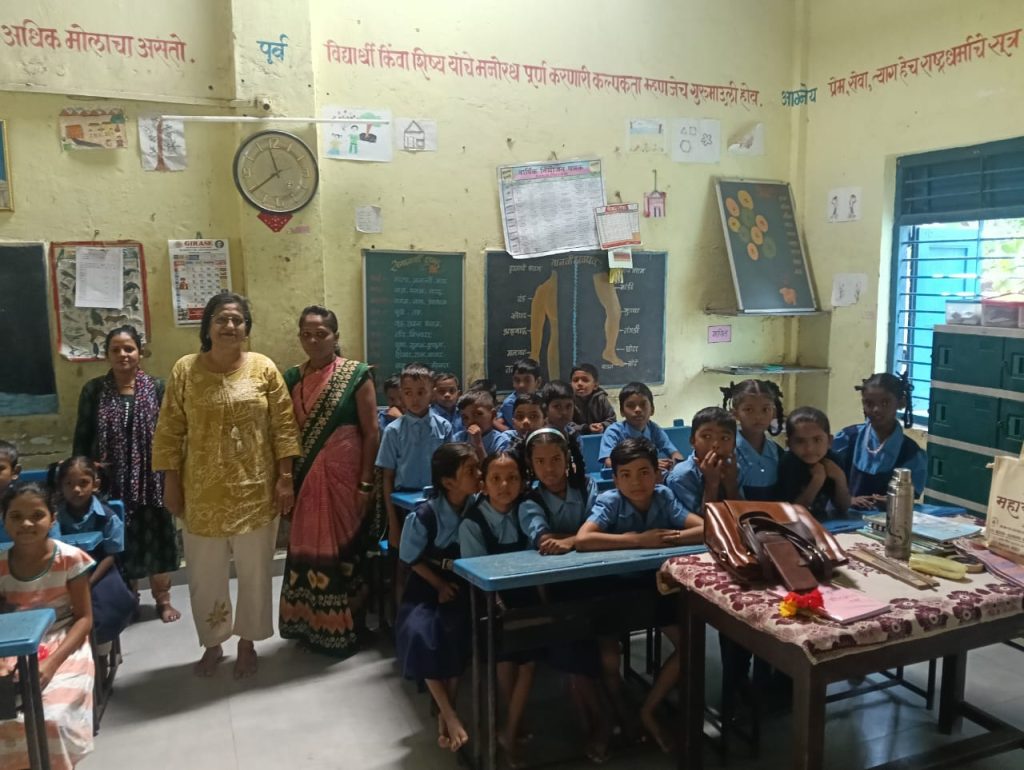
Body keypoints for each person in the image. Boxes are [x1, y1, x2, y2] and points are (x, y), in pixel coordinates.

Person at [152, 292, 300, 679]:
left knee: (255, 572)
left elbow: (284, 427)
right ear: (208, 327)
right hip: (201, 494)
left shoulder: (263, 368)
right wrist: (170, 482)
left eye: (237, 320)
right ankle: (213, 643)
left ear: (247, 328)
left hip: (256, 491)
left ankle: (247, 642)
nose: (229, 326)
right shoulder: (185, 370)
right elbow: (169, 430)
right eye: (221, 319)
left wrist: (285, 479)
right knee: (205, 576)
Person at [576, 437, 703, 752]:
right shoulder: (610, 501)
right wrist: (639, 540)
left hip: (653, 587)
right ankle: (620, 714)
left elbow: (704, 528)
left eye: (644, 472)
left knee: (690, 646)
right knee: (609, 659)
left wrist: (671, 538)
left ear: (657, 473)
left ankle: (648, 710)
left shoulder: (663, 495)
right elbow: (584, 540)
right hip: (612, 590)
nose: (636, 482)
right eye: (626, 475)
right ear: (616, 479)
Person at [278, 306, 380, 657]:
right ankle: (309, 625)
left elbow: (371, 432)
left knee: (347, 552)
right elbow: (285, 433)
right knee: (308, 549)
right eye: (306, 334)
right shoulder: (292, 377)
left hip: (346, 480)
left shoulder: (357, 375)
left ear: (335, 336)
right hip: (306, 480)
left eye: (320, 334)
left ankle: (350, 626)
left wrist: (365, 484)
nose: (313, 341)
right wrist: (285, 480)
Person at [71, 325, 182, 623]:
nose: (123, 354)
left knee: (159, 540)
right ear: (106, 354)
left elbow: (171, 433)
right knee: (120, 543)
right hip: (110, 481)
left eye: (129, 348)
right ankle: (129, 599)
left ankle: (163, 600)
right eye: (116, 349)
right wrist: (82, 474)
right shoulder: (94, 390)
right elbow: (83, 435)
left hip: (152, 480)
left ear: (140, 352)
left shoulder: (157, 388)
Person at [518, 428, 608, 761]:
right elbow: (544, 541)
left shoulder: (587, 486)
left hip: (597, 580)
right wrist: (583, 538)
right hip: (555, 591)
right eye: (540, 461)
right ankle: (598, 722)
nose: (549, 468)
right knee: (573, 648)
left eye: (556, 459)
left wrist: (571, 541)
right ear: (530, 464)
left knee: (602, 648)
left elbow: (602, 527)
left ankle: (604, 718)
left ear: (568, 458)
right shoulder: (530, 500)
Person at [0, 483, 95, 769]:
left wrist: (52, 664)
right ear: (4, 520)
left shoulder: (70, 559)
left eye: (37, 515)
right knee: (8, 714)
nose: (26, 524)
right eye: (16, 516)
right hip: (12, 642)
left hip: (62, 641)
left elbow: (85, 619)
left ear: (53, 518)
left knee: (50, 717)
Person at [395, 443, 479, 754]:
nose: (479, 475)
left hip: (465, 585)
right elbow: (409, 557)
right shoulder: (425, 515)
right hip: (426, 587)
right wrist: (439, 585)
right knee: (420, 632)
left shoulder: (478, 506)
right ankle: (450, 714)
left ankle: (446, 712)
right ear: (448, 481)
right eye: (470, 471)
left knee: (455, 631)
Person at [458, 451, 533, 764]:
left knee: (528, 662)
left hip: (525, 599)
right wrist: (502, 605)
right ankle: (511, 724)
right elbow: (478, 576)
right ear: (483, 485)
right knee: (507, 660)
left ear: (523, 482)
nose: (505, 485)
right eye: (496, 479)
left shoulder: (527, 512)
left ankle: (509, 729)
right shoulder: (472, 524)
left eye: (513, 478)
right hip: (489, 604)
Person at [55, 457, 137, 645]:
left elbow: (111, 555)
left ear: (95, 485)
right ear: (61, 487)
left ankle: (101, 646)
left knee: (112, 606)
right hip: (63, 572)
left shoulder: (107, 517)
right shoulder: (54, 518)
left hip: (100, 569)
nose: (76, 489)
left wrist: (87, 582)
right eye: (69, 484)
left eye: (83, 483)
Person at [377, 362, 454, 549]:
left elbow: (450, 471)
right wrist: (393, 523)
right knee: (405, 554)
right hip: (402, 504)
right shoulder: (393, 431)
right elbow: (387, 477)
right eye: (408, 392)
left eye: (421, 392)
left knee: (434, 552)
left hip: (437, 502)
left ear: (432, 394)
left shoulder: (444, 427)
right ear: (401, 394)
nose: (414, 399)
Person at [833, 371, 926, 509]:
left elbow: (910, 497)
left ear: (901, 403)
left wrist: (894, 500)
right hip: (844, 514)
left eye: (885, 402)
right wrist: (848, 500)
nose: (876, 409)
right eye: (869, 403)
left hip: (888, 518)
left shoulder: (911, 453)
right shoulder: (847, 438)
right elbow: (828, 480)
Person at [777, 407, 851, 518]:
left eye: (817, 440)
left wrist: (840, 478)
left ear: (829, 441)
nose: (809, 448)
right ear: (789, 444)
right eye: (800, 441)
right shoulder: (788, 463)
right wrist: (817, 480)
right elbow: (793, 513)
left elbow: (843, 507)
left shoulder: (833, 460)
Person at [666, 407, 742, 514]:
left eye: (724, 438)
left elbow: (740, 515)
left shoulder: (733, 469)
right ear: (692, 441)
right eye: (707, 436)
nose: (716, 444)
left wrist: (731, 483)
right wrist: (711, 483)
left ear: (734, 444)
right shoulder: (680, 476)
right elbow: (701, 521)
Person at [722, 379, 784, 500]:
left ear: (773, 413)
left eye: (765, 409)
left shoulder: (777, 452)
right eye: (749, 410)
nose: (758, 416)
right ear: (735, 414)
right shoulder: (728, 452)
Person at [600, 382, 683, 469]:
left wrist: (676, 464)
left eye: (643, 404)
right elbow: (609, 462)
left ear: (652, 409)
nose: (638, 410)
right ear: (622, 411)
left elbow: (675, 453)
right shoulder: (613, 432)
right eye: (630, 406)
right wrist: (649, 465)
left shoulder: (654, 429)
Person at [452, 390, 512, 461]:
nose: (471, 421)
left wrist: (478, 444)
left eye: (477, 414)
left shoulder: (502, 442)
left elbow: (493, 468)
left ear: (493, 415)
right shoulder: (458, 439)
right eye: (465, 417)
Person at [495, 358, 542, 432]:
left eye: (527, 380)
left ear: (538, 382)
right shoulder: (510, 403)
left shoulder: (541, 400)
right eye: (517, 380)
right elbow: (519, 430)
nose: (521, 385)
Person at [570, 363, 616, 434]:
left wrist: (602, 426)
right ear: (570, 384)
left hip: (599, 437)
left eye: (585, 380)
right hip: (576, 437)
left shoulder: (601, 399)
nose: (579, 383)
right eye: (575, 380)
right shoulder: (569, 400)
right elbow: (565, 424)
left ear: (595, 385)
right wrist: (586, 428)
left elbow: (612, 420)